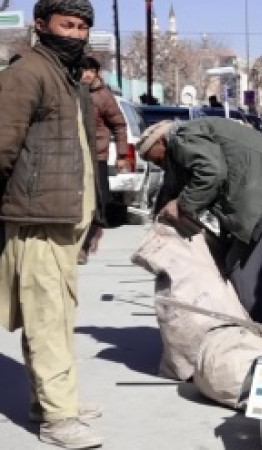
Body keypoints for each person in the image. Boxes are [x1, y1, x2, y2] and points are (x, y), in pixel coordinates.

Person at [0, 0, 105, 448]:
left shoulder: (68, 78)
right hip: (36, 215)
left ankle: (53, 401)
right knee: (46, 315)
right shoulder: (26, 74)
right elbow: (2, 147)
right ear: (41, 25)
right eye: (68, 25)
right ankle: (58, 419)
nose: (76, 34)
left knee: (59, 314)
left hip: (65, 216)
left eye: (83, 27)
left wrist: (94, 216)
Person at [135, 118, 262, 328]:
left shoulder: (183, 138)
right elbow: (173, 185)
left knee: (251, 278)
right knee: (249, 270)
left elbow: (210, 173)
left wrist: (183, 204)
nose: (159, 165)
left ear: (162, 142)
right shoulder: (184, 142)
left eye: (156, 160)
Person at [78, 55, 128, 265]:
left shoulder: (104, 96)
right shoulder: (73, 92)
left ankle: (88, 241)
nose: (87, 74)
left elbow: (119, 125)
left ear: (97, 73)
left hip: (97, 155)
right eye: (83, 70)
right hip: (76, 154)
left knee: (97, 200)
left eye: (91, 70)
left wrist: (123, 155)